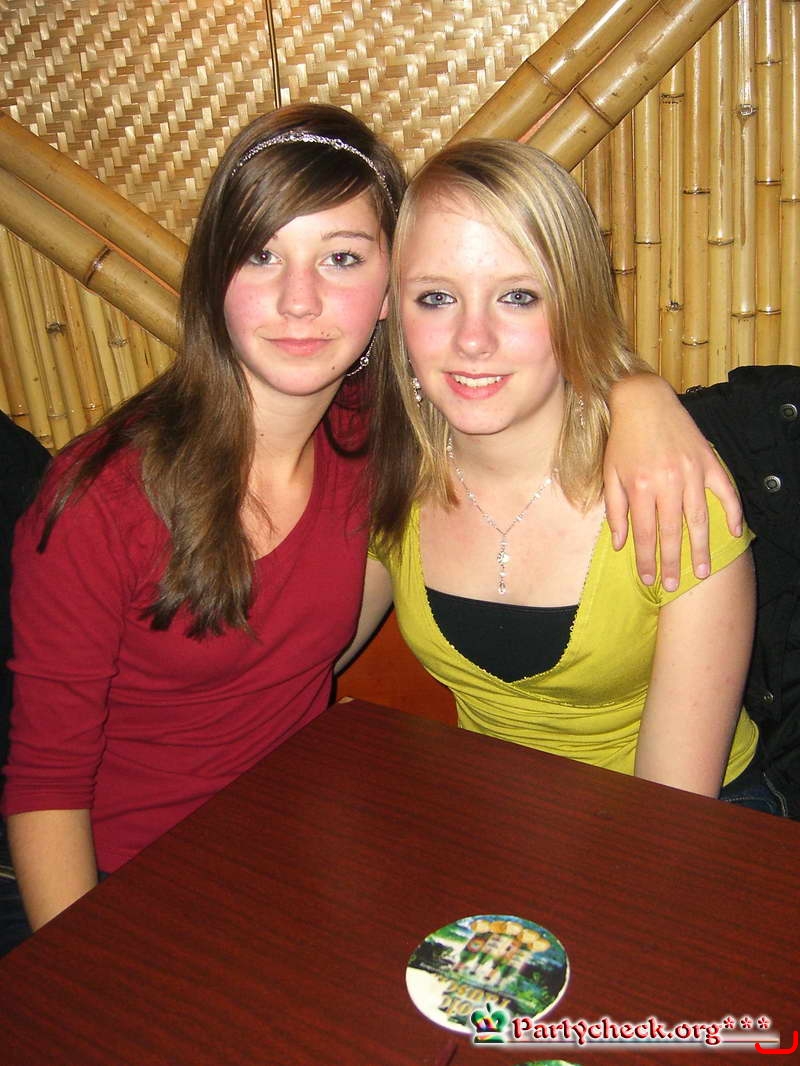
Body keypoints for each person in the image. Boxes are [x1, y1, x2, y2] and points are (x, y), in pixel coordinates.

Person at [0, 107, 742, 951]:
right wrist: (85, 971)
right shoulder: (102, 500)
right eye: (262, 253)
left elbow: (521, 362)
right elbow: (45, 781)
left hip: (305, 848)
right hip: (134, 885)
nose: (300, 300)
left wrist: (639, 392)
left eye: (342, 258)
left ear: (384, 296)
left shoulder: (372, 446)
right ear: (212, 273)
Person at [353, 138, 765, 806]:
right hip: (500, 816)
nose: (473, 339)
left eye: (518, 296)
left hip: (685, 826)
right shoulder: (393, 476)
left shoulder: (671, 486)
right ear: (395, 312)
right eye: (436, 297)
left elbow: (670, 817)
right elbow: (297, 663)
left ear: (574, 304)